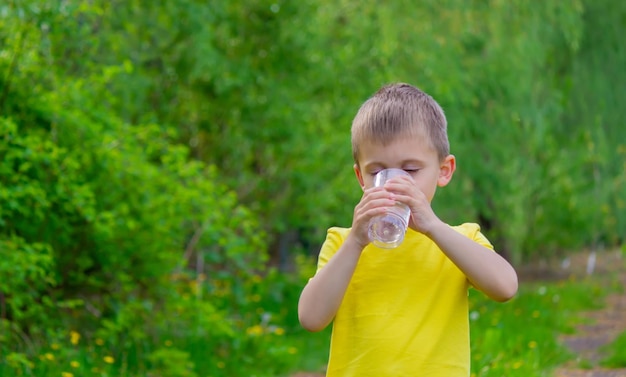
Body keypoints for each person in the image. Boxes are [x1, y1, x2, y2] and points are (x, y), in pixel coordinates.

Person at [297, 83, 518, 377]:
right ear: (360, 177)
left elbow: (506, 287)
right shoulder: (343, 242)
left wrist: (432, 227)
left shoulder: (458, 240)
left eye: (410, 170)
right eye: (377, 172)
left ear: (444, 170)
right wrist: (355, 242)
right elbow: (311, 318)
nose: (393, 182)